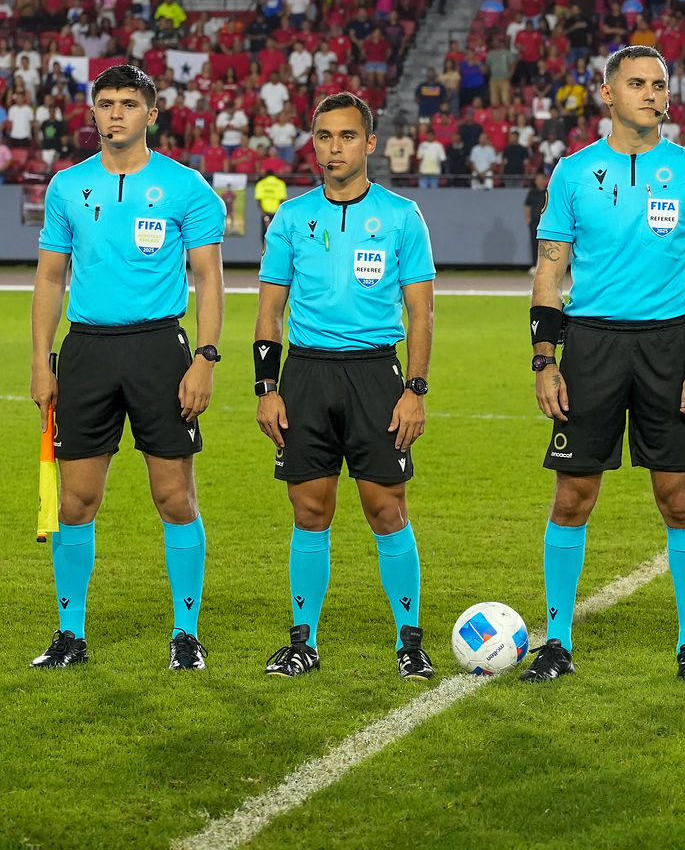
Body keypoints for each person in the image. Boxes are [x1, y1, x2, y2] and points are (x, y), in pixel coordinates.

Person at [523, 45, 685, 684]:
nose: (651, 93)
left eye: (659, 84)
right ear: (607, 94)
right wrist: (543, 358)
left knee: (678, 496)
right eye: (637, 83)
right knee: (573, 495)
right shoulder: (574, 173)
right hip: (589, 347)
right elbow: (551, 269)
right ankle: (557, 642)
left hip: (668, 347)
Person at [29, 64, 226, 671]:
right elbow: (50, 278)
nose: (115, 113)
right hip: (87, 350)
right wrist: (42, 360)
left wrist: (204, 357)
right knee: (76, 501)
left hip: (159, 350)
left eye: (128, 103)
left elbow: (210, 279)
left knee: (174, 496)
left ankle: (186, 635)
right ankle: (70, 636)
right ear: (93, 112)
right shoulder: (66, 187)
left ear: (151, 113)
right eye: (106, 103)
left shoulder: (187, 188)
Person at [254, 92, 437, 681]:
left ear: (370, 143)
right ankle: (302, 641)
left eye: (347, 137)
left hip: (374, 374)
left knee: (386, 508)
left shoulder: (402, 216)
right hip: (304, 374)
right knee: (310, 511)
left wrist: (415, 388)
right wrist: (266, 387)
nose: (334, 148)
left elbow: (421, 314)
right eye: (325, 137)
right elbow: (269, 311)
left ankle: (409, 641)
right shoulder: (290, 217)